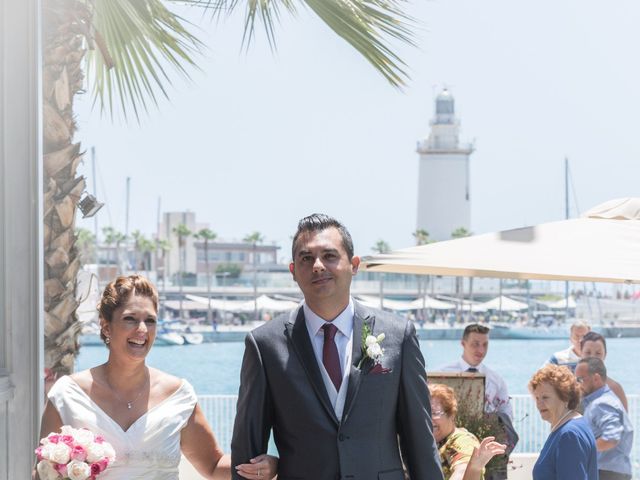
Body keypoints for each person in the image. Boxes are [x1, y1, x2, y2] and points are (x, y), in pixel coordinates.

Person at [231, 213, 443, 480]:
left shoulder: (398, 335)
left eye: (330, 256)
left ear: (353, 265)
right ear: (293, 271)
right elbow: (246, 454)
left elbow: (420, 442)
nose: (318, 266)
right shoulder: (264, 345)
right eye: (306, 259)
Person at [39, 275, 277, 480]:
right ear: (106, 327)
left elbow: (213, 466)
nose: (142, 329)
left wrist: (269, 466)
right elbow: (42, 473)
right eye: (130, 319)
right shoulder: (67, 395)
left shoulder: (178, 395)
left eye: (150, 321)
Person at [529, 364, 598, 480]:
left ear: (565, 397)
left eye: (545, 397)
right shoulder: (572, 426)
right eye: (537, 398)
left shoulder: (569, 435)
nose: (539, 404)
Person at [429, 383, 506, 480]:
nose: (428, 419)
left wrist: (473, 468)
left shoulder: (462, 441)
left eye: (434, 413)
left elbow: (462, 469)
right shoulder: (426, 441)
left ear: (451, 415)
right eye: (424, 414)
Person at [575, 357, 634, 480]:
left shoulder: (602, 404)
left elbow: (611, 438)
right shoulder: (602, 401)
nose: (577, 384)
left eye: (580, 379)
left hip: (606, 473)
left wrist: (581, 449)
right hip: (609, 471)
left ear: (596, 378)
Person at [439, 324, 513, 420]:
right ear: (463, 344)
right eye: (476, 344)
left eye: (485, 345)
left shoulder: (496, 380)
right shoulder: (442, 374)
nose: (481, 350)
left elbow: (507, 415)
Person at [580, 331, 628, 411]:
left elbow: (623, 421)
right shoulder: (571, 388)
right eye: (588, 353)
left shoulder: (615, 388)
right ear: (581, 353)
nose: (593, 357)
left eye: (598, 353)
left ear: (605, 355)